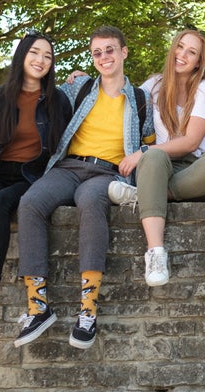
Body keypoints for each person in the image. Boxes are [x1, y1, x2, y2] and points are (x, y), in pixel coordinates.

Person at [13, 25, 154, 350]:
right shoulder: (79, 87)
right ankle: (38, 306)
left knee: (92, 205)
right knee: (30, 202)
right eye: (97, 52)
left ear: (123, 52)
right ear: (92, 58)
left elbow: (153, 144)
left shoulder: (141, 99)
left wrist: (139, 154)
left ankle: (87, 311)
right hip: (69, 165)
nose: (104, 57)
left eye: (110, 50)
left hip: (106, 173)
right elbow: (34, 91)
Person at [107, 29, 205, 287]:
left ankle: (144, 194)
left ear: (199, 61)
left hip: (194, 170)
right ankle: (155, 253)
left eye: (192, 52)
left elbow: (191, 142)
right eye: (180, 47)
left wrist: (142, 151)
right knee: (153, 157)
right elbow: (118, 95)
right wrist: (88, 79)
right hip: (158, 167)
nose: (182, 54)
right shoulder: (153, 85)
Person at [0, 31, 71, 338]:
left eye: (48, 56)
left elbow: (67, 141)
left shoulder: (57, 101)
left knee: (0, 203)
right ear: (22, 56)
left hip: (29, 176)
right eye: (35, 53)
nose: (41, 60)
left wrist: (79, 77)